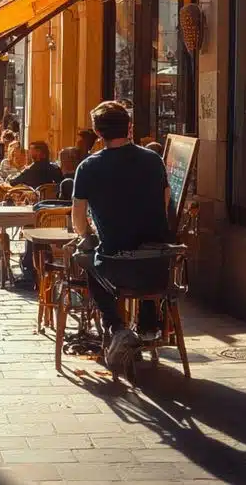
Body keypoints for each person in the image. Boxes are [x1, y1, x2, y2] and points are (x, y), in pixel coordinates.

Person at [71, 101, 173, 369]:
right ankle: (149, 322)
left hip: (116, 269)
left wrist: (88, 233)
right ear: (129, 127)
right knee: (146, 246)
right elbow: (164, 203)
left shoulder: (88, 167)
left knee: (86, 259)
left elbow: (78, 218)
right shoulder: (153, 160)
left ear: (97, 131)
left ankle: (117, 327)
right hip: (158, 269)